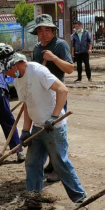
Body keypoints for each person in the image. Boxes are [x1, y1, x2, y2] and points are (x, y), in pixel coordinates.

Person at [3, 52, 86, 210]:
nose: (6, 74)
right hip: (37, 127)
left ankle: (80, 198)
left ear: (15, 65)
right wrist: (25, 130)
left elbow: (62, 90)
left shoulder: (37, 71)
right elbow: (27, 105)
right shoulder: (18, 80)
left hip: (54, 127)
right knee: (32, 162)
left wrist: (54, 116)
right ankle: (33, 199)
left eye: (7, 71)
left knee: (59, 163)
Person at [31, 14, 73, 182]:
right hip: (41, 96)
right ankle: (52, 163)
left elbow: (69, 69)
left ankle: (59, 169)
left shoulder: (60, 45)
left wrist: (54, 58)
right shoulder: (36, 48)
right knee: (46, 131)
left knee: (58, 133)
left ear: (53, 31)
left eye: (47, 30)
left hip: (57, 96)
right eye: (40, 31)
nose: (44, 34)